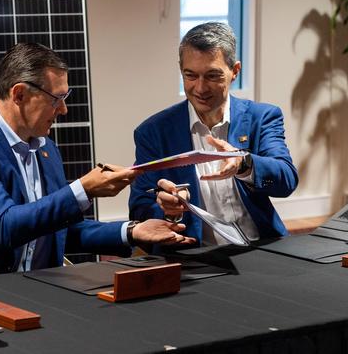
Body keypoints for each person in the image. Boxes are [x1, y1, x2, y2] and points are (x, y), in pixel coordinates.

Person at [0, 43, 195, 281]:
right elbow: (4, 226)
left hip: (39, 290)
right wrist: (84, 189)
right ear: (19, 94)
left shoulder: (46, 149)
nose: (63, 110)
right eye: (56, 99)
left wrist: (132, 232)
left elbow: (57, 230)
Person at [128, 22, 299, 245]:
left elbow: (286, 180)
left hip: (261, 247)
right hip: (192, 256)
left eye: (212, 76)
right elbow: (140, 208)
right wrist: (168, 210)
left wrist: (244, 163)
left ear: (235, 71)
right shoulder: (154, 132)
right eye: (190, 75)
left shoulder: (262, 117)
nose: (200, 88)